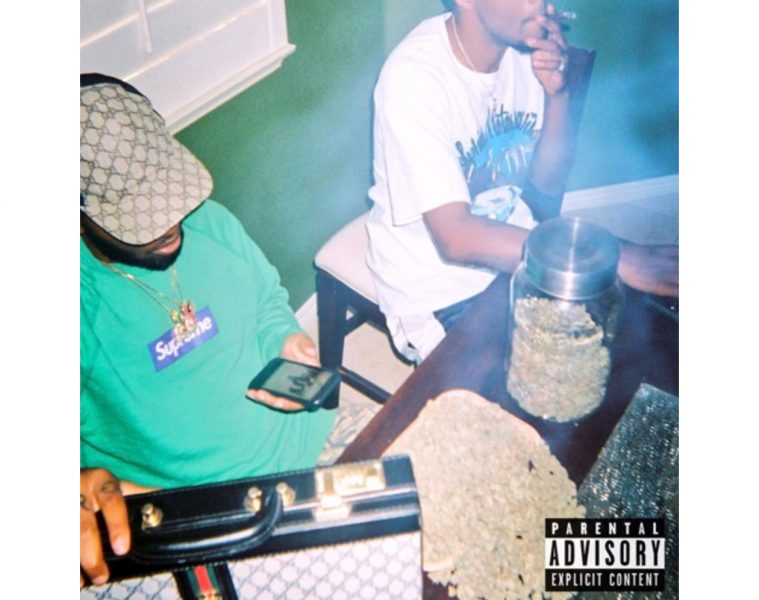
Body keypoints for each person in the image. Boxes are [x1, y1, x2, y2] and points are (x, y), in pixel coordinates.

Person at [79, 73, 336, 586]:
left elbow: (267, 298)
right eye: (139, 216)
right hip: (208, 512)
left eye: (167, 195)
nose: (170, 223)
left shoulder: (212, 222)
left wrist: (284, 338)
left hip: (309, 444)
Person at [365, 0, 679, 362]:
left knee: (634, 343)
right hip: (438, 286)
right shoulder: (413, 79)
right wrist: (608, 259)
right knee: (527, 387)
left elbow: (546, 185)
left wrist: (557, 95)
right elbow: (455, 239)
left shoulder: (523, 52)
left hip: (514, 243)